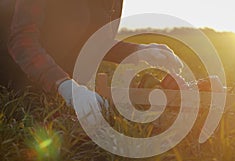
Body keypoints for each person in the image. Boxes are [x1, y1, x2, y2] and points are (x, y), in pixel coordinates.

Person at [1, 0, 183, 113]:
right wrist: (66, 87)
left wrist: (137, 51)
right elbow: (21, 41)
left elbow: (88, 41)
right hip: (12, 76)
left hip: (54, 84)